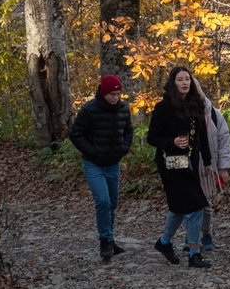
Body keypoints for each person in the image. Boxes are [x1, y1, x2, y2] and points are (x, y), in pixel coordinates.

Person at [147, 64, 214, 268]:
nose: (184, 83)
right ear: (173, 83)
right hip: (171, 164)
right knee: (196, 206)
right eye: (180, 80)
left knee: (178, 207)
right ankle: (194, 252)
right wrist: (173, 142)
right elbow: (152, 138)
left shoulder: (196, 105)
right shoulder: (163, 108)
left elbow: (202, 136)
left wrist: (208, 162)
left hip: (191, 162)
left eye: (187, 79)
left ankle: (164, 242)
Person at [67, 74, 135, 262]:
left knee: (112, 203)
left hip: (113, 163)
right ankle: (104, 240)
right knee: (103, 201)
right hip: (93, 163)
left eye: (118, 93)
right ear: (104, 93)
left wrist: (124, 147)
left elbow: (129, 130)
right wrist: (92, 151)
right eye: (112, 94)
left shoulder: (123, 109)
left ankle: (110, 238)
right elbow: (76, 134)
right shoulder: (89, 110)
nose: (115, 97)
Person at [197, 86, 230, 255]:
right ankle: (191, 238)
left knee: (206, 204)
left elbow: (224, 140)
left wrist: (223, 167)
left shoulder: (213, 114)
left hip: (208, 167)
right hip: (187, 167)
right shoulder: (180, 113)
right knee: (188, 206)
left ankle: (206, 235)